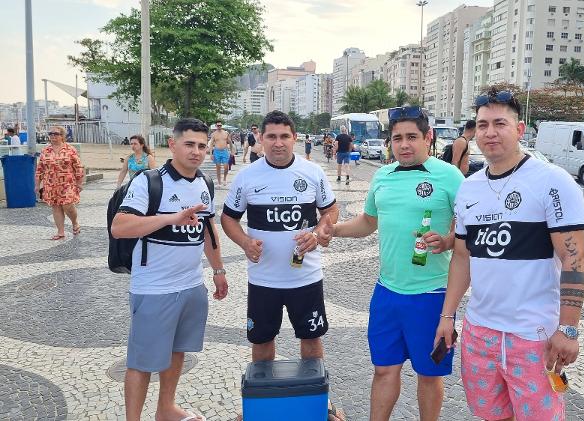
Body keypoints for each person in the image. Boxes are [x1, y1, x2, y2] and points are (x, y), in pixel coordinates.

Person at [434, 87, 584, 421]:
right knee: (491, 415)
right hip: (480, 333)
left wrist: (569, 329)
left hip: (534, 337)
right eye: (483, 124)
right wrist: (447, 317)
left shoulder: (552, 182)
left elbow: (574, 259)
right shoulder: (469, 188)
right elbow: (462, 258)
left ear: (519, 129)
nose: (490, 132)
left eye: (500, 123)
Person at [318, 106, 464, 421]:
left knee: (429, 374)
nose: (404, 144)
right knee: (384, 369)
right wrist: (335, 230)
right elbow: (368, 222)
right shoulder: (382, 175)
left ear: (429, 137)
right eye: (397, 138)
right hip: (387, 293)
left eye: (412, 137)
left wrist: (449, 241)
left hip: (431, 295)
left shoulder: (450, 176)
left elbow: (469, 231)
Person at [220, 111, 344, 421]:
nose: (278, 143)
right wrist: (245, 242)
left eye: (284, 136)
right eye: (271, 136)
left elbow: (331, 211)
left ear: (295, 138)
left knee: (312, 340)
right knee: (262, 342)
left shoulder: (313, 172)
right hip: (263, 280)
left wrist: (318, 234)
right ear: (260, 139)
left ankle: (319, 404)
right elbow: (228, 218)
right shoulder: (247, 176)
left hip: (306, 278)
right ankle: (261, 405)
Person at [111, 118, 228, 421]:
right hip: (154, 288)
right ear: (172, 144)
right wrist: (168, 219)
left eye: (202, 145)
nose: (197, 151)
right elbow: (120, 227)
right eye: (189, 144)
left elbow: (206, 229)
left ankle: (166, 409)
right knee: (141, 361)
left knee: (178, 350)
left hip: (191, 284)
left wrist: (218, 271)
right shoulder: (149, 181)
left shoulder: (205, 183)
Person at [34, 125, 85, 240]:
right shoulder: (45, 150)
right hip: (50, 184)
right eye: (50, 134)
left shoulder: (70, 149)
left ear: (62, 136)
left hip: (67, 183)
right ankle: (60, 232)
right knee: (56, 207)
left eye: (55, 134)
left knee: (67, 205)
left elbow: (78, 167)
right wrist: (37, 184)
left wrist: (79, 182)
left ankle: (75, 222)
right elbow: (40, 169)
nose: (52, 136)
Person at [208, 120, 234, 186]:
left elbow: (230, 143)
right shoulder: (213, 134)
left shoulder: (226, 133)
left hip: (224, 151)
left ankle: (224, 179)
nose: (219, 126)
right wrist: (211, 154)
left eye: (220, 125)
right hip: (217, 152)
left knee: (226, 167)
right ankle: (219, 182)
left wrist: (232, 151)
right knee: (218, 167)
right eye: (218, 125)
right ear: (216, 126)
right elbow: (211, 144)